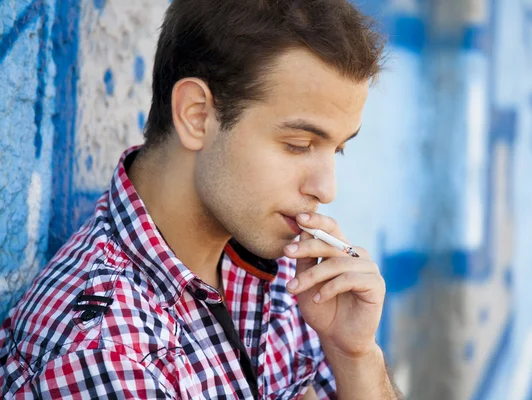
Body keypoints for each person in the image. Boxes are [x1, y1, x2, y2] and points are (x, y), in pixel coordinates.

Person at [0, 0, 402, 398]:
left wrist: (354, 356)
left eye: (338, 149)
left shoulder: (279, 270)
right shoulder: (105, 353)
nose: (327, 189)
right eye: (298, 144)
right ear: (196, 115)